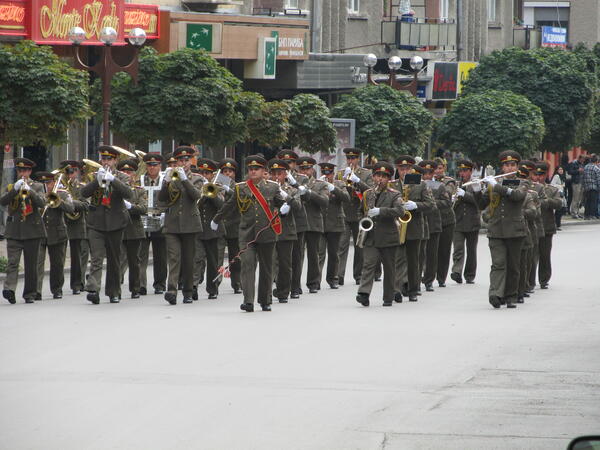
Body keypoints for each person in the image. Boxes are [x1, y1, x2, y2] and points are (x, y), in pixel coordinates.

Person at [212, 156, 286, 312]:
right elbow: (229, 206)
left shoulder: (272, 187)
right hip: (247, 233)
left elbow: (282, 203)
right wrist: (216, 219)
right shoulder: (241, 188)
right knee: (247, 265)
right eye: (251, 169)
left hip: (267, 233)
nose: (253, 171)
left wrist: (286, 208)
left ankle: (265, 300)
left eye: (256, 169)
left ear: (263, 171)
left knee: (266, 268)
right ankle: (248, 301)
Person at [81, 146, 133, 304]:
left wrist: (113, 180)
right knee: (96, 258)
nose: (106, 162)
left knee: (114, 259)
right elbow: (83, 194)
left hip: (116, 223)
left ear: (116, 160)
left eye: (109, 159)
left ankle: (113, 291)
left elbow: (129, 194)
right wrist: (96, 182)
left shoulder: (122, 176)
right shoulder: (94, 175)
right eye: (104, 159)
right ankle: (93, 289)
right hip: (96, 223)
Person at [478, 150, 528, 309]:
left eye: (512, 164)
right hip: (496, 228)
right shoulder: (494, 183)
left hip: (515, 230)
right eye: (506, 165)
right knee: (498, 263)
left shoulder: (522, 182)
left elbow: (516, 196)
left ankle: (511, 296)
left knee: (513, 265)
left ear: (517, 166)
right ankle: (495, 294)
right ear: (502, 167)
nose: (509, 167)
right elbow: (481, 204)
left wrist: (496, 186)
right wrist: (476, 190)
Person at [158, 146, 204, 305]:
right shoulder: (171, 176)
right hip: (172, 225)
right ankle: (171, 290)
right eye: (180, 160)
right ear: (175, 162)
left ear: (191, 161)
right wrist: (165, 182)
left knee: (189, 260)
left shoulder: (197, 178)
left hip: (190, 224)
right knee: (174, 257)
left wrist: (185, 179)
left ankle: (188, 291)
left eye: (186, 160)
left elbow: (196, 196)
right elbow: (162, 199)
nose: (183, 163)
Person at [355, 162, 405, 307]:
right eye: (377, 176)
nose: (380, 179)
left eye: (383, 177)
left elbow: (400, 211)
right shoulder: (367, 194)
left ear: (388, 179)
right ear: (373, 177)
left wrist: (380, 211)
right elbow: (360, 211)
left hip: (388, 237)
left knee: (389, 268)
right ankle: (363, 294)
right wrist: (363, 218)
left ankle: (388, 297)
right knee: (368, 265)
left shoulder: (394, 195)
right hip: (371, 237)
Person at [1, 158, 46, 304]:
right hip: (14, 230)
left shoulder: (38, 186)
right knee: (12, 262)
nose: (23, 173)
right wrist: (15, 189)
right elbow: (3, 201)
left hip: (32, 230)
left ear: (30, 171)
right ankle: (9, 289)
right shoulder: (11, 187)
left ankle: (30, 293)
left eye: (25, 170)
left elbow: (41, 203)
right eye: (20, 170)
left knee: (31, 264)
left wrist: (29, 190)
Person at [390, 156, 435, 302]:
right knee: (398, 258)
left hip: (414, 226)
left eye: (407, 169)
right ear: (398, 169)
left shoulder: (420, 184)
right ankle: (396, 289)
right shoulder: (393, 185)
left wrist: (416, 205)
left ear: (411, 169)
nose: (404, 171)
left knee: (413, 260)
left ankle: (413, 289)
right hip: (397, 227)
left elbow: (431, 205)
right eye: (401, 169)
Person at [336, 148, 373, 286]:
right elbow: (338, 191)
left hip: (359, 213)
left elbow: (370, 191)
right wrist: (343, 181)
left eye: (353, 158)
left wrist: (357, 181)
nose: (351, 161)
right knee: (342, 245)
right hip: (345, 213)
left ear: (358, 159)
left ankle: (358, 274)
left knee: (359, 246)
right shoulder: (340, 173)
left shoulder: (366, 173)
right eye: (349, 159)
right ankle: (339, 275)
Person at [35, 171, 75, 300]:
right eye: (44, 183)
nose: (46, 185)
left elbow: (71, 208)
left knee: (57, 264)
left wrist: (58, 201)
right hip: (40, 233)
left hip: (57, 233)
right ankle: (36, 290)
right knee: (37, 263)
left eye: (48, 182)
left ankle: (57, 289)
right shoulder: (36, 193)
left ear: (53, 182)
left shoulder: (62, 193)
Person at [277, 150, 309, 299]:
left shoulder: (302, 178)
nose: (287, 165)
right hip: (282, 221)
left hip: (298, 220)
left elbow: (307, 196)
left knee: (296, 256)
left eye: (289, 163)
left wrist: (294, 183)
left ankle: (295, 286)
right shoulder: (275, 177)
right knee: (282, 257)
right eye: (284, 162)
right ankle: (282, 284)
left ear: (294, 164)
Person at [296, 157, 329, 293]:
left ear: (312, 170)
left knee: (314, 254)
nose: (305, 171)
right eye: (302, 169)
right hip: (298, 223)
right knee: (297, 256)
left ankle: (313, 283)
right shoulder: (294, 183)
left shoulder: (320, 184)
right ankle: (295, 285)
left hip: (314, 222)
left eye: (307, 168)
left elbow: (325, 201)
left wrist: (309, 192)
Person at [269, 159, 300, 303]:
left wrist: (286, 197)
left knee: (285, 264)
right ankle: (267, 291)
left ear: (285, 175)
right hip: (269, 230)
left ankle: (283, 292)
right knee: (268, 262)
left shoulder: (292, 190)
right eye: (273, 173)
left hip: (286, 231)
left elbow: (299, 207)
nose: (276, 177)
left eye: (279, 174)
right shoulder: (265, 189)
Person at [194, 158, 225, 300]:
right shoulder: (195, 185)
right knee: (197, 258)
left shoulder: (219, 186)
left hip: (213, 230)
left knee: (213, 261)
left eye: (207, 173)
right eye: (202, 172)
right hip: (198, 229)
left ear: (212, 174)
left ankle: (212, 288)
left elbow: (221, 205)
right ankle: (193, 286)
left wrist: (211, 192)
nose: (204, 175)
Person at [118, 159, 148, 299]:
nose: (126, 174)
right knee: (116, 259)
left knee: (134, 261)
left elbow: (143, 208)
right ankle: (116, 288)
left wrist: (130, 206)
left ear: (134, 175)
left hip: (134, 230)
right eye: (123, 172)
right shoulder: (115, 189)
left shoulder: (139, 191)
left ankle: (135, 288)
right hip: (117, 228)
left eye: (129, 172)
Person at [138, 153, 167, 295]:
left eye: (155, 165)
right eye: (149, 165)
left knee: (160, 256)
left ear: (160, 166)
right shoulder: (140, 180)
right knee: (140, 255)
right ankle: (140, 284)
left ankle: (160, 284)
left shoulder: (165, 180)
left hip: (159, 221)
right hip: (142, 220)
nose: (152, 168)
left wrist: (164, 214)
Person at [318, 162, 350, 290]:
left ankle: (333, 278)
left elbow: (347, 198)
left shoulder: (340, 184)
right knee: (319, 253)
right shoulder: (318, 184)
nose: (327, 176)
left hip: (335, 223)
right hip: (320, 222)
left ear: (333, 173)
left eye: (329, 173)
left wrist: (333, 188)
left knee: (334, 253)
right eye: (324, 173)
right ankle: (316, 280)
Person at [60, 160, 89, 295]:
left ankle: (77, 284)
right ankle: (57, 286)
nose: (70, 175)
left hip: (76, 224)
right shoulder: (57, 187)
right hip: (59, 223)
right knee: (58, 257)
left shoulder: (81, 187)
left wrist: (71, 202)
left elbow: (85, 205)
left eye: (72, 172)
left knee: (77, 256)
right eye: (67, 172)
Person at [451, 159, 482, 284]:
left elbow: (479, 202)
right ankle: (456, 272)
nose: (462, 173)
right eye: (461, 171)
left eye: (465, 171)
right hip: (458, 221)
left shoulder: (476, 185)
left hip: (472, 221)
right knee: (458, 248)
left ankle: (470, 275)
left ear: (471, 171)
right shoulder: (456, 184)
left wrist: (465, 195)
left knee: (471, 250)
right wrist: (453, 198)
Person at [536, 162, 563, 289]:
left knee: (545, 255)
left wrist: (547, 201)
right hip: (532, 227)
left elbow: (559, 203)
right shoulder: (529, 188)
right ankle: (528, 282)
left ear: (546, 174)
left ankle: (544, 279)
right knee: (530, 257)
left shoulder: (551, 189)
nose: (538, 177)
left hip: (546, 226)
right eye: (536, 174)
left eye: (541, 174)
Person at [418, 160, 444, 292]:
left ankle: (429, 280)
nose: (427, 176)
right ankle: (416, 281)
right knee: (419, 254)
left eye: (430, 173)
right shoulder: (416, 184)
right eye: (425, 173)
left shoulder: (439, 185)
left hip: (433, 222)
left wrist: (431, 202)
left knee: (432, 254)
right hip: (419, 222)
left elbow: (446, 202)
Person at [218, 158, 242, 294]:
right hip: (220, 225)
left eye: (230, 171)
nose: (227, 174)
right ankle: (215, 284)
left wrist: (228, 189)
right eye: (224, 172)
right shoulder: (215, 185)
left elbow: (241, 199)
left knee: (236, 257)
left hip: (234, 225)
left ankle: (237, 283)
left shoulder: (238, 186)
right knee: (218, 257)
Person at [433, 158, 456, 287]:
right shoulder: (426, 181)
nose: (437, 171)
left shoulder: (449, 181)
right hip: (432, 219)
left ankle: (441, 277)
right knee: (430, 250)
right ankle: (428, 274)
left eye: (440, 168)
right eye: (435, 169)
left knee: (444, 250)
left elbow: (447, 194)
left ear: (444, 169)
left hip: (446, 220)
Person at [582, 155, 600, 219]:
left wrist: (583, 186)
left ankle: (586, 215)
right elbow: (598, 179)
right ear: (596, 161)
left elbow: (583, 177)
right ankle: (592, 215)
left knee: (587, 201)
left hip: (586, 187)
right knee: (593, 201)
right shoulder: (596, 168)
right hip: (594, 187)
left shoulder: (586, 167)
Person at [550, 166, 567, 230]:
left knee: (562, 209)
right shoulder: (556, 176)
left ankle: (558, 224)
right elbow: (552, 184)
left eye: (562, 169)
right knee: (558, 210)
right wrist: (560, 186)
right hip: (557, 194)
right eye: (559, 169)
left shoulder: (562, 177)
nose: (561, 170)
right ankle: (556, 224)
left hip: (562, 194)